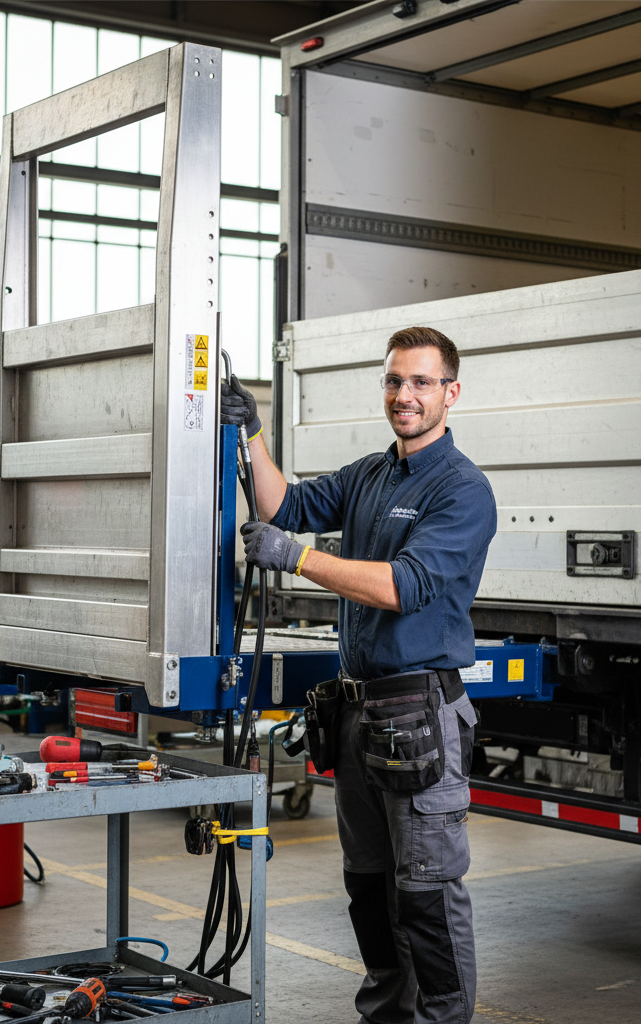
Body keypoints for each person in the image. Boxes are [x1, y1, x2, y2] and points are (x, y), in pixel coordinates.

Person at [221, 326, 496, 1024]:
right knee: (368, 890)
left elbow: (405, 586)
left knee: (427, 895)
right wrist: (253, 433)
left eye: (421, 383)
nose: (405, 396)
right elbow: (284, 506)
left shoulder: (462, 490)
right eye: (395, 381)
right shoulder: (372, 474)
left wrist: (298, 559)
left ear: (450, 393)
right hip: (359, 715)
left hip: (421, 717)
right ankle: (386, 1016)